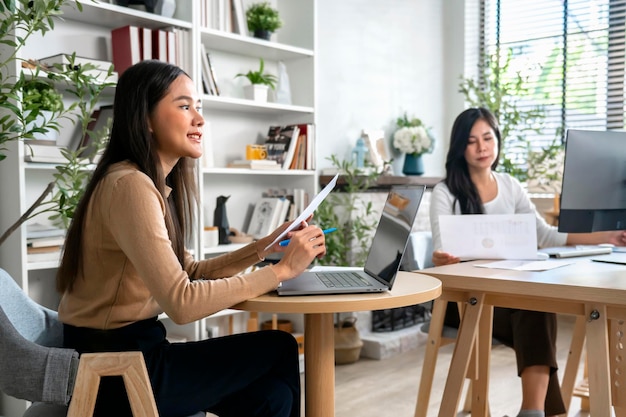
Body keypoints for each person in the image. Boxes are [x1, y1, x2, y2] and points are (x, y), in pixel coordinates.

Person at [56, 60, 327, 417]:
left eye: (198, 108)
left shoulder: (143, 183)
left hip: (134, 357)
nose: (199, 119)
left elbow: (191, 271)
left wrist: (263, 249)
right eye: (184, 106)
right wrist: (280, 272)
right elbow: (182, 303)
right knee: (278, 347)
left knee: (273, 397)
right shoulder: (130, 186)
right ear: (146, 119)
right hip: (117, 371)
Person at [430, 107, 626, 417]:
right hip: (465, 302)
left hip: (508, 296)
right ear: (459, 147)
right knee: (535, 311)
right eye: (471, 141)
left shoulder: (510, 185)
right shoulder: (445, 192)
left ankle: (532, 411)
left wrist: (608, 236)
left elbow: (547, 236)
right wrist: (442, 258)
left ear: (497, 140)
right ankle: (545, 413)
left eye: (487, 138)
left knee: (536, 306)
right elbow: (442, 251)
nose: (482, 148)